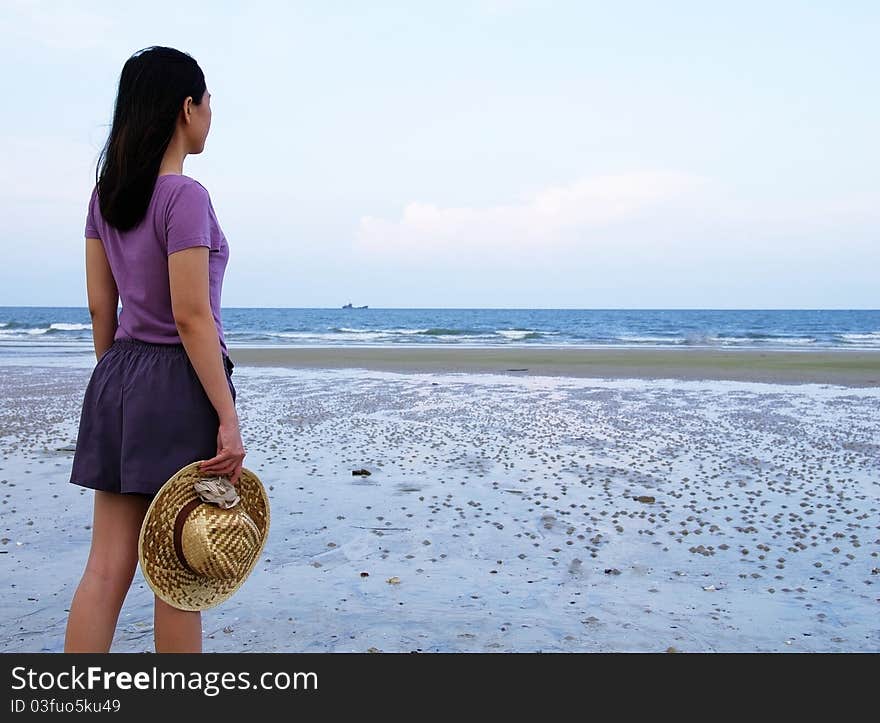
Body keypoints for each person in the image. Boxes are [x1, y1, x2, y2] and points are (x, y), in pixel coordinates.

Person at [63, 46, 246, 653]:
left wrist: (116, 390)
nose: (212, 112)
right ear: (185, 108)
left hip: (118, 376)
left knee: (106, 567)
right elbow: (191, 315)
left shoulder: (103, 198)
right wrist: (227, 415)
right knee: (179, 574)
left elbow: (100, 307)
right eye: (209, 99)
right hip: (178, 386)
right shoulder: (184, 197)